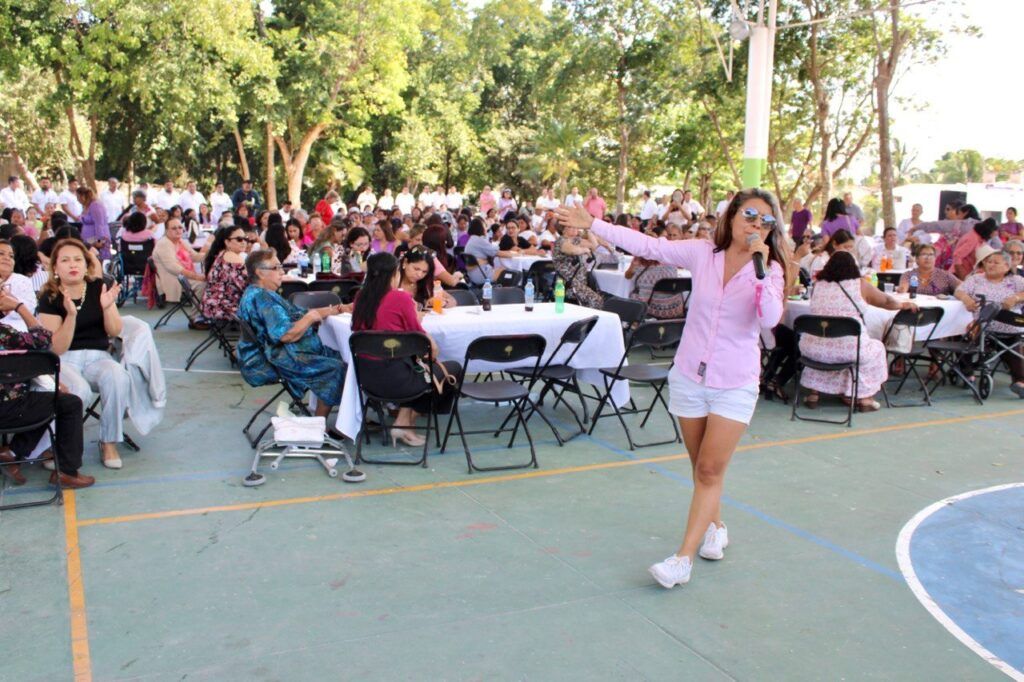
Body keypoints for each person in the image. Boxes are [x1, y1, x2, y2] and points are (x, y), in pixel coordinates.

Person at [556, 188, 790, 589]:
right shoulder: (703, 253)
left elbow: (769, 318)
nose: (756, 224)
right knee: (702, 466)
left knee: (709, 469)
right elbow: (649, 244)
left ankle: (682, 559)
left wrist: (762, 269)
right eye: (749, 214)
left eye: (766, 220)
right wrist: (592, 223)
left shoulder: (769, 269)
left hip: (734, 383)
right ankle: (715, 527)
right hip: (689, 375)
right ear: (732, 216)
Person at [35, 239, 128, 469]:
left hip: (99, 356)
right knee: (79, 391)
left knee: (117, 376)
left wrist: (107, 307)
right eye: (64, 260)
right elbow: (57, 348)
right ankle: (60, 446)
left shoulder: (99, 287)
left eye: (78, 259)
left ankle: (108, 442)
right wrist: (71, 316)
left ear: (87, 265)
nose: (72, 265)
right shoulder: (50, 296)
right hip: (65, 359)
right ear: (55, 267)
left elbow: (115, 331)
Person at [351, 252, 461, 446]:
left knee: (415, 365)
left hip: (366, 377)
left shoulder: (361, 297)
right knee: (450, 369)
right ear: (393, 274)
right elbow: (422, 341)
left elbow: (356, 329)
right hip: (398, 378)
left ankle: (404, 422)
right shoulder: (399, 298)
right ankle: (404, 422)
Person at [237, 250, 349, 417]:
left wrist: (339, 309)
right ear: (260, 272)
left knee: (341, 359)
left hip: (278, 353)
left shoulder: (259, 293)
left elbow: (300, 313)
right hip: (270, 360)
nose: (282, 272)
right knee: (336, 367)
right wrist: (312, 317)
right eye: (276, 267)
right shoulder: (263, 299)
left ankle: (323, 420)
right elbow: (285, 335)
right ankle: (319, 425)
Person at [0, 291, 94, 489]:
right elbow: (44, 341)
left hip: (13, 405)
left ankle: (13, 453)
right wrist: (20, 307)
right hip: (9, 409)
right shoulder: (7, 335)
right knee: (66, 403)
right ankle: (67, 472)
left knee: (41, 400)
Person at [799, 251, 914, 411]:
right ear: (853, 267)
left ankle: (814, 394)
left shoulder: (819, 285)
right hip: (848, 351)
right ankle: (864, 398)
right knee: (875, 348)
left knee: (830, 346)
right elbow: (886, 301)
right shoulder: (859, 284)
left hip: (814, 350)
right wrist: (903, 305)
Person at [954, 245, 1024, 397]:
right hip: (982, 326)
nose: (990, 265)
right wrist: (966, 299)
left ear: (1007, 266)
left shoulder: (1016, 280)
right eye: (988, 262)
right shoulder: (976, 279)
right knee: (964, 332)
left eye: (995, 262)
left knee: (1013, 344)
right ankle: (968, 373)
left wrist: (1016, 297)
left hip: (1010, 327)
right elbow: (959, 291)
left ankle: (1019, 382)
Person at [624, 223, 686, 319]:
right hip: (675, 309)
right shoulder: (670, 259)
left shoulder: (639, 259)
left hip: (648, 308)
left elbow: (627, 276)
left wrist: (633, 267)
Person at [152, 218, 206, 316]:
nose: (178, 230)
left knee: (210, 281)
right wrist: (196, 276)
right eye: (174, 228)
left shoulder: (179, 241)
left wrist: (213, 253)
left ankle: (206, 314)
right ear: (167, 231)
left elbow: (195, 256)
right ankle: (195, 317)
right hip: (173, 279)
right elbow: (172, 267)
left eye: (180, 227)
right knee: (202, 285)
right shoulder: (164, 243)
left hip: (182, 277)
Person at [552, 215, 603, 309]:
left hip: (579, 283)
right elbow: (573, 250)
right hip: (568, 285)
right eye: (572, 225)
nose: (576, 227)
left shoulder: (575, 240)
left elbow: (594, 245)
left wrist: (587, 228)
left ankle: (587, 319)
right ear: (564, 229)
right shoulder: (561, 241)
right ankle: (587, 321)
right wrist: (585, 250)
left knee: (600, 297)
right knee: (596, 300)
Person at [200, 226, 248, 322]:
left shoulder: (223, 254)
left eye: (245, 239)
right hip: (222, 308)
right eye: (239, 239)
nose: (243, 242)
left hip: (211, 305)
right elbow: (246, 286)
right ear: (227, 242)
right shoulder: (233, 258)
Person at [897, 244, 961, 295]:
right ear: (917, 259)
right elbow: (904, 286)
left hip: (939, 310)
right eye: (924, 254)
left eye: (931, 255)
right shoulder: (908, 275)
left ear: (935, 259)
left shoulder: (945, 275)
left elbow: (962, 288)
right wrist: (902, 289)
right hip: (914, 309)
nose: (928, 258)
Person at [0, 240, 35, 331]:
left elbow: (30, 309)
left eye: (11, 256)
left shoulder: (22, 281)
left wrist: (7, 295)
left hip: (18, 332)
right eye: (1, 254)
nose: (7, 258)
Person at [77, 186, 111, 261]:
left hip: (98, 238)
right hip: (88, 239)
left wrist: (99, 240)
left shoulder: (96, 205)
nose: (77, 200)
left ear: (83, 196)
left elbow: (99, 224)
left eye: (78, 197)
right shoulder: (86, 206)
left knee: (97, 260)